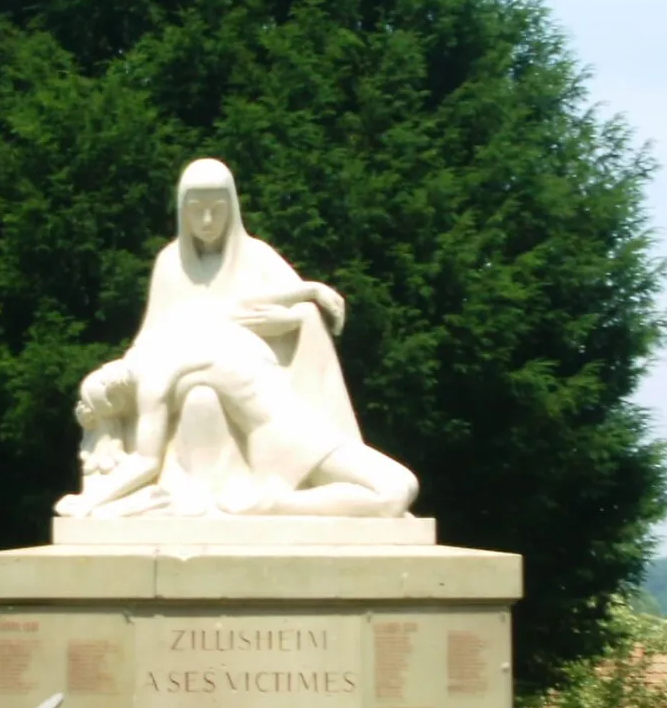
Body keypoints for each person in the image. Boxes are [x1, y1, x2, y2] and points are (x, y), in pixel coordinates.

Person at [56, 158, 418, 519]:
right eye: (110, 392)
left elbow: (233, 308)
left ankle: (276, 503)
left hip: (289, 418)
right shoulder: (156, 377)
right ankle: (275, 504)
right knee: (394, 491)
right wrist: (92, 498)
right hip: (281, 432)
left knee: (400, 489)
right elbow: (146, 459)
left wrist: (304, 300)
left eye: (216, 209)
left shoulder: (198, 332)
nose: (208, 221)